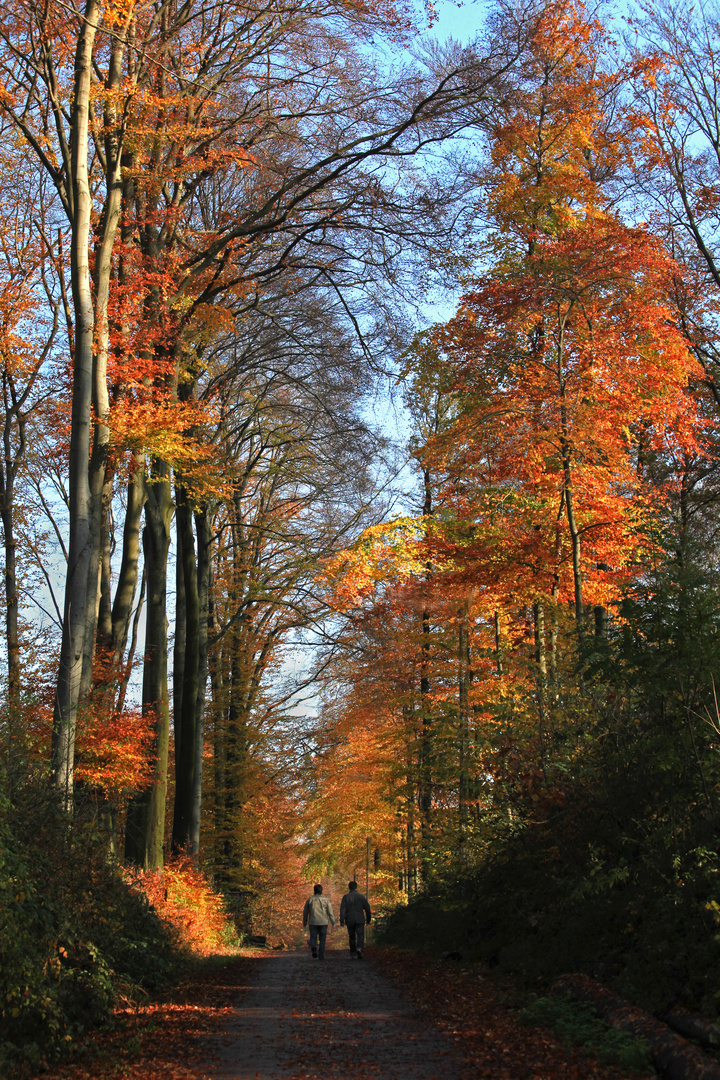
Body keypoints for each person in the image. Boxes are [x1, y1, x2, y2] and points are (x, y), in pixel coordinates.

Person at [339, 880, 371, 959]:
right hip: (360, 919)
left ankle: (353, 953)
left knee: (352, 936)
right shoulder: (361, 897)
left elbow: (343, 910)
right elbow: (367, 908)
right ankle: (359, 948)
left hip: (350, 919)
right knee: (360, 935)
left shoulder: (346, 897)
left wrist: (342, 920)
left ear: (349, 888)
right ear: (356, 887)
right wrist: (368, 919)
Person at [302, 883, 335, 959]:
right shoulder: (326, 900)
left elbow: (305, 912)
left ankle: (313, 946)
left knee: (313, 937)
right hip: (323, 922)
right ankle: (321, 955)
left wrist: (305, 922)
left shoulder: (310, 900)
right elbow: (330, 912)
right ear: (322, 891)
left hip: (313, 922)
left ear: (314, 891)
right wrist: (333, 922)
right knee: (322, 938)